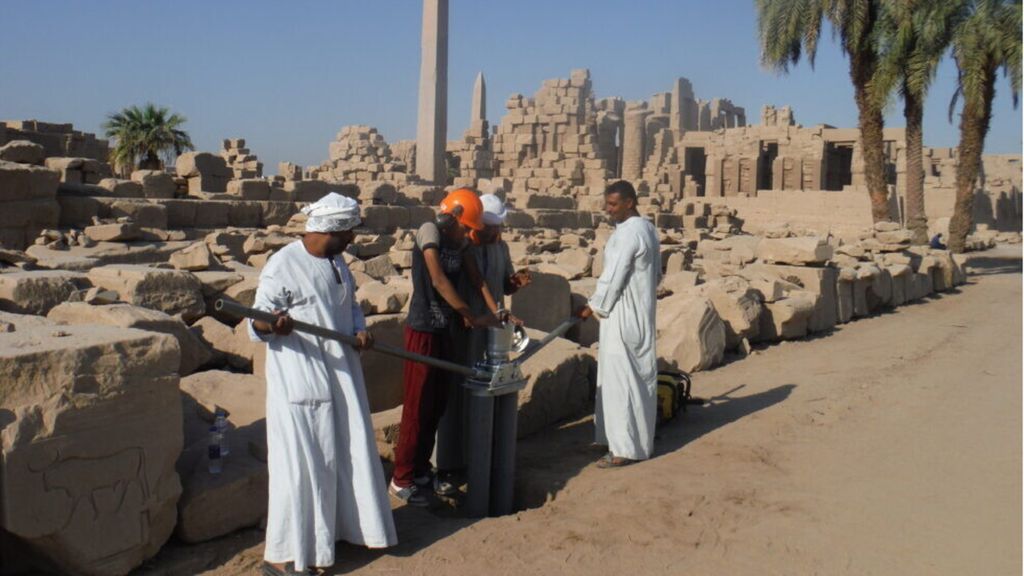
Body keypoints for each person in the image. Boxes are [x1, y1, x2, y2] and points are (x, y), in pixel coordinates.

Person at [248, 193, 396, 575]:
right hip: (302, 379)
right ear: (331, 229)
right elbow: (257, 320)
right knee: (303, 466)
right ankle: (287, 558)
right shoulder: (282, 265)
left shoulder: (338, 263)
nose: (352, 239)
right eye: (348, 231)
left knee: (343, 454)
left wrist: (361, 332)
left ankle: (337, 534)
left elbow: (349, 309)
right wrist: (271, 323)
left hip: (341, 373)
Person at [390, 189, 503, 506]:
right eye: (466, 227)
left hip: (446, 330)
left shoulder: (460, 239)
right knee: (417, 404)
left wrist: (496, 312)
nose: (469, 234)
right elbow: (438, 280)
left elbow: (476, 277)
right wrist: (471, 315)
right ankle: (402, 478)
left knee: (437, 403)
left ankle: (421, 469)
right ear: (449, 216)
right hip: (424, 328)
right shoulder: (430, 231)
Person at [435, 193, 533, 486]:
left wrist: (515, 283)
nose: (495, 234)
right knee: (457, 396)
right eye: (489, 229)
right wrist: (491, 313)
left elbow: (502, 285)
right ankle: (450, 464)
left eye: (498, 229)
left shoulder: (500, 248)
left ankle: (482, 457)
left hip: (492, 334)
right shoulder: (463, 248)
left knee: (488, 393)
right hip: (466, 330)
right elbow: (475, 284)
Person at [575, 180, 661, 468]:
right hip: (635, 312)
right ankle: (617, 439)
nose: (607, 209)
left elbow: (614, 276)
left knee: (622, 382)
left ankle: (624, 449)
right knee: (627, 379)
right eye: (606, 203)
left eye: (612, 204)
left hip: (623, 316)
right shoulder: (645, 228)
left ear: (630, 202)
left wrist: (592, 306)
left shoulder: (630, 234)